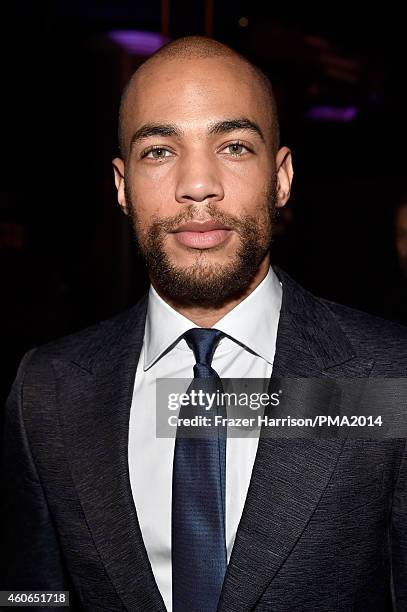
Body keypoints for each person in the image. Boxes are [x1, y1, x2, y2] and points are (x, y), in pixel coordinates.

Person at [1, 35, 407, 612]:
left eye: (235, 146)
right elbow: (30, 593)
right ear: (121, 186)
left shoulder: (390, 380)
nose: (197, 184)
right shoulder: (47, 391)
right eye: (159, 151)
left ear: (282, 176)